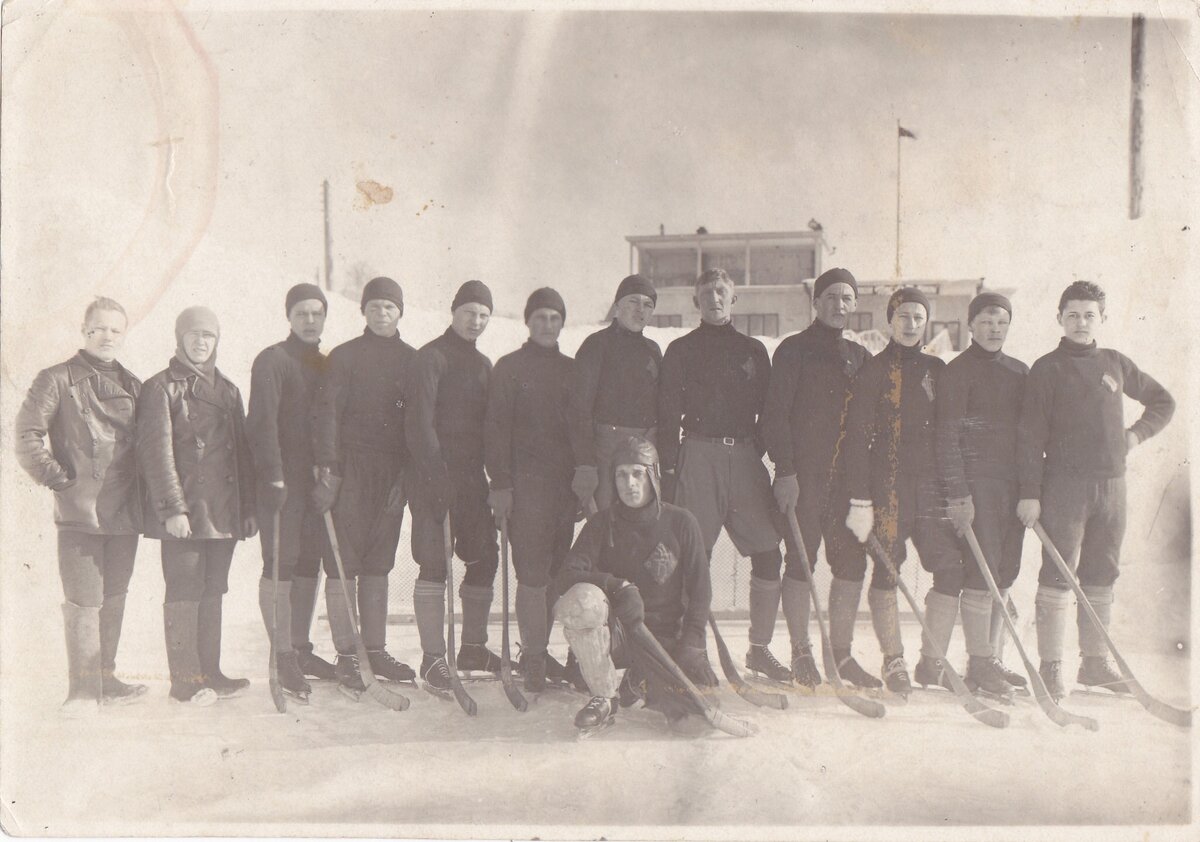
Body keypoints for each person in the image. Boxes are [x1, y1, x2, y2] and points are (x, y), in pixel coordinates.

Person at [1016, 281, 1174, 701]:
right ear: (1060, 319)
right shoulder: (1046, 368)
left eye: (1089, 315)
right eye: (1073, 315)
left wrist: (1137, 435)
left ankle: (1095, 663)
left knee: (1102, 572)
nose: (1081, 322)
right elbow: (1030, 437)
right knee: (1058, 573)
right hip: (1065, 488)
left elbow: (1163, 402)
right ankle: (1051, 667)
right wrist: (1029, 492)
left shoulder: (1115, 362)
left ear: (1101, 318)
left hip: (1112, 486)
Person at [15, 297, 147, 710]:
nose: (107, 336)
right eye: (100, 327)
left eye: (116, 329)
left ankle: (106, 681)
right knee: (84, 601)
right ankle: (83, 691)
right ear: (84, 330)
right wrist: (61, 481)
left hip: (124, 512)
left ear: (124, 335)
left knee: (115, 595)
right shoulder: (55, 378)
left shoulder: (134, 384)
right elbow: (25, 437)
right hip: (80, 515)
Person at [657, 268, 783, 683]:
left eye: (722, 292)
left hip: (744, 457)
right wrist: (673, 466)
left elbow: (770, 409)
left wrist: (753, 450)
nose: (715, 297)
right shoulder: (680, 350)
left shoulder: (753, 350)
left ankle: (760, 649)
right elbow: (666, 414)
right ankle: (691, 650)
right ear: (696, 300)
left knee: (768, 551)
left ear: (734, 300)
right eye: (707, 292)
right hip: (698, 454)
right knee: (693, 557)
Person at [761, 268, 876, 690]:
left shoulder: (859, 356)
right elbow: (775, 415)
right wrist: (785, 470)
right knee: (801, 561)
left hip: (846, 484)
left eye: (847, 297)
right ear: (816, 302)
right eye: (831, 297)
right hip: (805, 478)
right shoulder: (793, 350)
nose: (839, 305)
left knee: (850, 562)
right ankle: (801, 650)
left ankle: (839, 656)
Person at [137, 307, 257, 704]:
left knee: (213, 589)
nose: (201, 342)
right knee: (184, 588)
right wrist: (173, 509)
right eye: (193, 335)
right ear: (179, 338)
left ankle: (211, 673)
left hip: (222, 514)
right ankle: (185, 681)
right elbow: (157, 455)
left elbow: (241, 455)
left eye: (208, 335)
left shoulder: (228, 389)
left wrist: (247, 509)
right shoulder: (161, 388)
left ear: (217, 340)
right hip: (185, 513)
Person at [555, 436, 714, 734]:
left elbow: (701, 592)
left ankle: (640, 679)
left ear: (653, 475)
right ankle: (604, 697)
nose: (629, 483)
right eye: (621, 474)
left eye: (638, 473)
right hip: (619, 638)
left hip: (666, 643)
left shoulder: (681, 523)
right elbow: (566, 576)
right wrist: (616, 586)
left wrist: (693, 642)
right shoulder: (602, 524)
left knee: (691, 725)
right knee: (580, 600)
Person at [843, 287, 957, 699]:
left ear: (927, 323)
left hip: (929, 488)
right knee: (887, 570)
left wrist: (954, 491)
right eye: (903, 316)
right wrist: (859, 499)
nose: (911, 324)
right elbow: (856, 438)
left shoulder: (937, 369)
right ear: (890, 320)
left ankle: (933, 660)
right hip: (886, 486)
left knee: (950, 568)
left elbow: (948, 434)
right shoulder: (873, 370)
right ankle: (894, 659)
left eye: (918, 317)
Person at [311, 277, 416, 692]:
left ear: (400, 312)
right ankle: (347, 653)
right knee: (343, 562)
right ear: (364, 312)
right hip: (351, 467)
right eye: (374, 306)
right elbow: (328, 415)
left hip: (390, 471)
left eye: (390, 306)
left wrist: (406, 475)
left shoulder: (412, 360)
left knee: (379, 559)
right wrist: (330, 470)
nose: (382, 313)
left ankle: (374, 648)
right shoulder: (344, 356)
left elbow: (416, 423)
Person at [406, 280, 503, 695]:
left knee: (485, 556)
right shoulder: (431, 357)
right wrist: (435, 475)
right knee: (434, 562)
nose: (475, 321)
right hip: (433, 476)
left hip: (470, 478)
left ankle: (473, 649)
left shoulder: (484, 365)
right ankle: (432, 660)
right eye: (469, 312)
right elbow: (418, 422)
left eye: (483, 315)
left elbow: (492, 429)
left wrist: (495, 479)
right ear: (453, 310)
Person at [930, 292, 1029, 697]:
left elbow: (1029, 435)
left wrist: (1029, 488)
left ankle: (991, 658)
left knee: (1004, 572)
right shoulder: (957, 371)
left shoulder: (1020, 372)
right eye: (986, 322)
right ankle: (980, 662)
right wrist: (958, 494)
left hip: (1012, 487)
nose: (994, 329)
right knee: (980, 573)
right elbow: (947, 436)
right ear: (970, 325)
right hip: (976, 488)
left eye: (1001, 322)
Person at [484, 287, 576, 692]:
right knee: (532, 574)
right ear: (527, 321)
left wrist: (584, 475)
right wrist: (501, 484)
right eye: (540, 317)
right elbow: (496, 429)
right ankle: (534, 656)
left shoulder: (573, 370)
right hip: (525, 488)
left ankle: (538, 648)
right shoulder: (508, 368)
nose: (547, 325)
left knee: (556, 573)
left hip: (562, 489)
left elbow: (580, 429)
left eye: (555, 319)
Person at [246, 283, 333, 701]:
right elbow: (261, 424)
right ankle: (282, 654)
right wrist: (274, 477)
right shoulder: (273, 360)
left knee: (308, 562)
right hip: (281, 483)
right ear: (289, 317)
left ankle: (300, 648)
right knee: (280, 562)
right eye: (302, 313)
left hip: (314, 483)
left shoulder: (326, 363)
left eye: (317, 313)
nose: (310, 321)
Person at [568, 274, 662, 514]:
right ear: (617, 305)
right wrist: (586, 464)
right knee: (607, 525)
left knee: (643, 521)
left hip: (644, 447)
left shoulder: (652, 350)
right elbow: (579, 409)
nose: (640, 310)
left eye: (648, 305)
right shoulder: (596, 345)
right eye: (633, 301)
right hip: (606, 450)